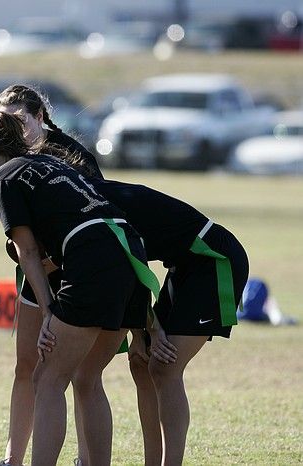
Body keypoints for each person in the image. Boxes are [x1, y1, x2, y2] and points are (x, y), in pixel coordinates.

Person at [0, 112, 150, 466]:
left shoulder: (2, 176)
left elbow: (28, 252)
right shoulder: (48, 161)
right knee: (87, 377)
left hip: (95, 256)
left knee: (47, 378)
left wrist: (49, 312)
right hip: (131, 251)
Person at [63, 155, 249, 466]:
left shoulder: (93, 203)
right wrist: (143, 332)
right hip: (183, 265)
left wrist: (148, 329)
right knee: (141, 362)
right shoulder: (81, 201)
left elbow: (130, 267)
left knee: (164, 367)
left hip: (212, 259)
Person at [0, 84, 109, 466]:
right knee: (27, 364)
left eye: (18, 121)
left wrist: (50, 259)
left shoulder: (73, 156)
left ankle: (83, 458)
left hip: (78, 273)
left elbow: (97, 215)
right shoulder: (7, 158)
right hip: (34, 273)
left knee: (77, 373)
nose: (9, 129)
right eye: (1, 122)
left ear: (39, 116)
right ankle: (14, 457)